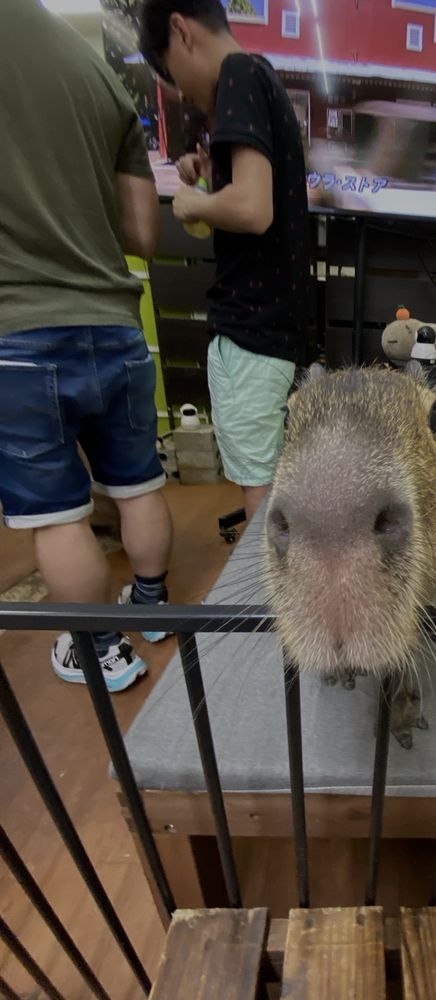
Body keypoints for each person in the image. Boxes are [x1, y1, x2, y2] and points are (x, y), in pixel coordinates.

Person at [0, 0, 173, 692]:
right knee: (138, 486)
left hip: (18, 328)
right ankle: (157, 610)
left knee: (58, 513)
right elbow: (143, 232)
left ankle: (100, 648)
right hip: (116, 324)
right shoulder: (95, 71)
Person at [139, 0, 311, 524]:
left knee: (260, 489)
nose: (179, 91)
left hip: (251, 327)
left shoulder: (236, 74)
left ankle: (269, 601)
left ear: (180, 31)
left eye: (170, 72)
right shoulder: (258, 75)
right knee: (278, 478)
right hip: (276, 324)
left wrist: (192, 204)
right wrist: (211, 168)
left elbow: (253, 209)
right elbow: (260, 196)